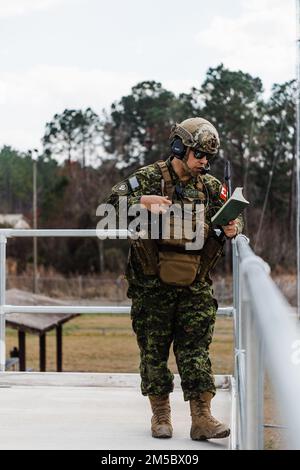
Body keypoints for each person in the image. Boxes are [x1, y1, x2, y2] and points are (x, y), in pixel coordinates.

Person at [104, 117, 243, 441]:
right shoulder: (150, 178)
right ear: (180, 149)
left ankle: (202, 418)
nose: (204, 163)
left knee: (195, 352)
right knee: (153, 352)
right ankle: (161, 416)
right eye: (199, 155)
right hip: (153, 288)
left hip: (194, 286)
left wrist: (235, 227)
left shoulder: (209, 187)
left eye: (209, 157)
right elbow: (108, 205)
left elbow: (235, 215)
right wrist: (142, 203)